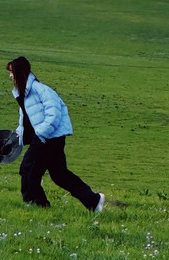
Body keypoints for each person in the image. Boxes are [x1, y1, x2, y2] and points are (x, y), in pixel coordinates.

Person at [7, 56, 104, 211]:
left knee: (28, 169)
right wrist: (17, 135)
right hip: (48, 138)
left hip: (48, 138)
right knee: (60, 175)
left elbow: (54, 114)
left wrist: (41, 134)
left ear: (19, 71)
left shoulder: (41, 90)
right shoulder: (25, 94)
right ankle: (93, 200)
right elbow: (26, 120)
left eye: (11, 72)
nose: (10, 76)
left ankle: (38, 206)